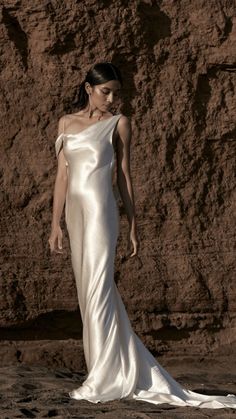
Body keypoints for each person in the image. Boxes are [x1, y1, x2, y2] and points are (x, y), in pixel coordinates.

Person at [48, 62, 236, 409]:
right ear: (89, 88)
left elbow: (123, 176)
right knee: (87, 294)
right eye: (106, 91)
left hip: (103, 214)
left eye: (116, 93)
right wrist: (55, 223)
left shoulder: (118, 124)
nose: (111, 98)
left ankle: (103, 377)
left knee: (99, 289)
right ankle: (105, 369)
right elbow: (62, 176)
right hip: (75, 216)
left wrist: (133, 223)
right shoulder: (65, 123)